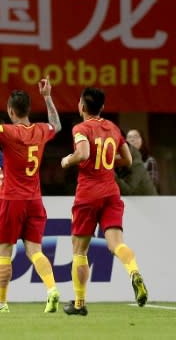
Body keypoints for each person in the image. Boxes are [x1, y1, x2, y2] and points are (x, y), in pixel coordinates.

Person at [0, 77, 62, 313]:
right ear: (28, 110)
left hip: (11, 199)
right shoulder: (42, 130)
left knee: (4, 251)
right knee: (35, 250)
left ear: (11, 111)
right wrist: (48, 96)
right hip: (34, 200)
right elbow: (57, 125)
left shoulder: (8, 131)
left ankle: (0, 302)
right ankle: (52, 289)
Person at [60, 87, 149, 315]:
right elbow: (127, 160)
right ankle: (134, 272)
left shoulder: (80, 128)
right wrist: (108, 163)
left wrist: (67, 160)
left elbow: (83, 154)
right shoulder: (113, 128)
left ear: (82, 106)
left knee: (79, 251)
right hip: (111, 192)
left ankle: (79, 304)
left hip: (88, 195)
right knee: (116, 244)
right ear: (102, 108)